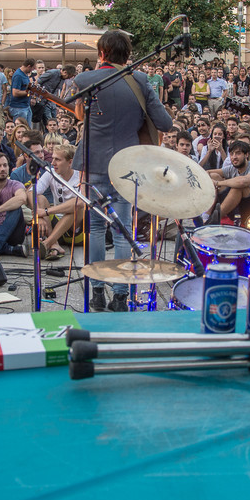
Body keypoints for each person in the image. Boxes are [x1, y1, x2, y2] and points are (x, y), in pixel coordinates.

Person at [70, 29, 173, 312]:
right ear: (128, 55)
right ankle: (120, 296)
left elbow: (79, 115)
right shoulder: (139, 80)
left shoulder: (85, 80)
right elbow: (165, 123)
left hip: (93, 164)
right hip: (127, 166)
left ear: (101, 53)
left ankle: (96, 292)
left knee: (94, 227)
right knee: (123, 229)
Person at [33, 143, 82, 260]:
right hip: (56, 226)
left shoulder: (80, 175)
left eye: (58, 160)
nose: (53, 163)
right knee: (40, 198)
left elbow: (80, 202)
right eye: (53, 158)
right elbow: (31, 192)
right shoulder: (51, 173)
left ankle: (47, 243)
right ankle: (55, 244)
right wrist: (39, 215)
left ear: (70, 162)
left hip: (76, 230)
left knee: (76, 206)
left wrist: (46, 211)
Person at [208, 140, 250, 220]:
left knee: (239, 187)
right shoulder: (232, 168)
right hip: (238, 209)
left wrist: (218, 183)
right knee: (214, 176)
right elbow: (207, 172)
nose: (234, 157)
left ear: (246, 155)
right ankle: (206, 214)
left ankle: (214, 219)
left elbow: (242, 182)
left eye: (238, 153)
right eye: (232, 154)